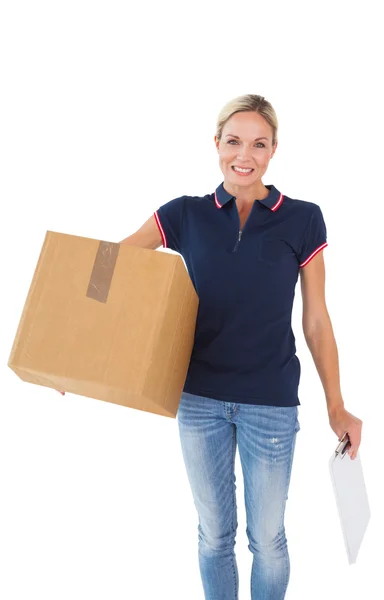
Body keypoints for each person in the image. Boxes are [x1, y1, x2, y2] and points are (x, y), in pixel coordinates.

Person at [117, 94, 363, 599]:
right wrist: (70, 353)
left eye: (258, 143)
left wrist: (336, 405)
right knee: (213, 538)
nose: (243, 155)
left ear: (273, 151)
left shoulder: (303, 219)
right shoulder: (184, 214)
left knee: (267, 539)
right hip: (199, 399)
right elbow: (109, 269)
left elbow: (315, 321)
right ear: (216, 144)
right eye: (233, 141)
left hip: (270, 403)